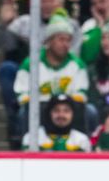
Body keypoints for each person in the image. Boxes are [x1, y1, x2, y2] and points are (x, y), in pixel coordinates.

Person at [13, 15, 90, 145]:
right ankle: (26, 146)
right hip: (39, 107)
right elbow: (21, 92)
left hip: (67, 107)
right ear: (49, 41)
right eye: (61, 40)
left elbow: (81, 94)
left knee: (90, 111)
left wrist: (63, 104)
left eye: (68, 40)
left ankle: (81, 145)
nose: (65, 45)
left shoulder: (77, 64)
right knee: (22, 113)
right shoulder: (31, 63)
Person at [22, 94, 91, 151]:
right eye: (56, 110)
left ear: (73, 114)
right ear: (49, 113)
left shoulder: (82, 140)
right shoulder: (32, 138)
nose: (61, 115)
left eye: (66, 111)